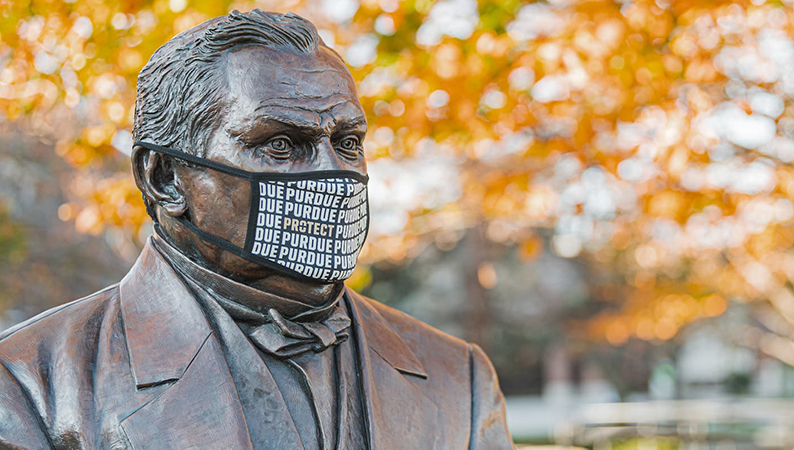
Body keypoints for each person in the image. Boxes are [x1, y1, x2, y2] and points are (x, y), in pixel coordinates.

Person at [0, 10, 513, 449]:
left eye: (348, 142)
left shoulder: (458, 377)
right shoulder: (28, 380)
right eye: (282, 146)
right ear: (165, 178)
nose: (331, 174)